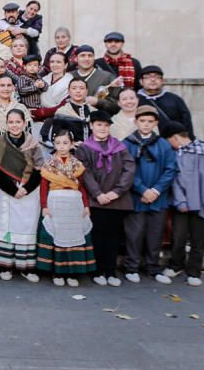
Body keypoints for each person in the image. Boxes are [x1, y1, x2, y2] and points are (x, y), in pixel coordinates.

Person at [75, 109, 135, 286]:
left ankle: (111, 270)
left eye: (106, 125)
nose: (102, 128)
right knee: (98, 236)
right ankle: (98, 270)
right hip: (96, 200)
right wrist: (98, 194)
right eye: (99, 125)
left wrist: (116, 192)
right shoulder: (85, 148)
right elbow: (84, 173)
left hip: (117, 199)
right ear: (92, 126)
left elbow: (129, 169)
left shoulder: (119, 146)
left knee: (114, 236)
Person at [122, 105, 178, 285]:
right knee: (134, 234)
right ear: (136, 122)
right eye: (142, 121)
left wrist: (155, 190)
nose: (146, 125)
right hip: (136, 196)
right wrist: (142, 189)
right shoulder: (127, 143)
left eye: (150, 122)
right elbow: (126, 169)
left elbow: (171, 169)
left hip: (158, 197)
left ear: (155, 123)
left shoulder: (164, 145)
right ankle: (132, 266)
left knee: (155, 234)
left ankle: (153, 267)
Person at [0, 109, 44, 282]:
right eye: (11, 122)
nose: (14, 125)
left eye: (17, 122)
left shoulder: (33, 143)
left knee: (26, 227)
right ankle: (6, 266)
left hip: (29, 191)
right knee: (6, 227)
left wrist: (26, 189)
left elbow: (39, 169)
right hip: (6, 190)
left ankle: (25, 267)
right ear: (6, 124)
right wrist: (13, 190)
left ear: (24, 122)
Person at [162, 122, 204, 287]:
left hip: (202, 204)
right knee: (178, 237)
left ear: (175, 138)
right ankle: (176, 265)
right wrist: (180, 201)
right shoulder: (176, 154)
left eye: (169, 140)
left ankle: (194, 271)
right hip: (182, 204)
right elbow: (175, 180)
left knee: (198, 239)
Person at [37, 129, 96, 286]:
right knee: (56, 234)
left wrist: (86, 205)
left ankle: (72, 273)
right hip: (55, 201)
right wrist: (44, 206)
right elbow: (43, 187)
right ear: (54, 145)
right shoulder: (49, 164)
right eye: (58, 143)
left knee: (73, 235)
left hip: (74, 203)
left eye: (65, 143)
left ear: (71, 144)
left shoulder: (77, 165)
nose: (61, 147)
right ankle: (57, 272)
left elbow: (82, 187)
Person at [137, 65, 194, 136]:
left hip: (172, 142)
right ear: (141, 82)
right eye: (148, 77)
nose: (153, 80)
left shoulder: (175, 99)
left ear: (162, 81)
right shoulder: (134, 100)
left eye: (157, 77)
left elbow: (187, 122)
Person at [73, 46, 122, 114]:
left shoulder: (107, 77)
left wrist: (98, 102)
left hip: (99, 120)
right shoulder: (68, 76)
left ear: (94, 58)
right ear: (76, 58)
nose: (86, 59)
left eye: (90, 56)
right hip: (71, 119)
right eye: (82, 55)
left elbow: (118, 105)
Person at [35, 51, 72, 120]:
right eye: (52, 62)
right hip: (38, 118)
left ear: (65, 65)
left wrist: (40, 112)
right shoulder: (43, 79)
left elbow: (64, 106)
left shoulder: (71, 82)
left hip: (59, 118)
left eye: (58, 62)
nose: (55, 65)